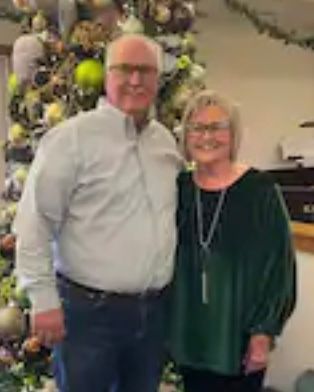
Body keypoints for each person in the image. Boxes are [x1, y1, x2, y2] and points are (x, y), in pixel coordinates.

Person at [14, 34, 182, 392]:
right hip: (88, 317)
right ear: (107, 75)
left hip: (152, 315)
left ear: (158, 78)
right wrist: (43, 300)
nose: (135, 80)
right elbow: (34, 223)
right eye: (125, 69)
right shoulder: (71, 139)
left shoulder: (166, 144)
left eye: (145, 71)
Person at [168, 90, 296, 392]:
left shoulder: (260, 191)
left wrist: (264, 333)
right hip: (189, 341)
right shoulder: (179, 189)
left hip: (238, 344)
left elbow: (280, 270)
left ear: (234, 134)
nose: (206, 136)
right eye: (196, 128)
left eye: (216, 127)